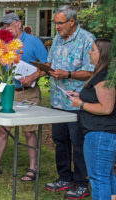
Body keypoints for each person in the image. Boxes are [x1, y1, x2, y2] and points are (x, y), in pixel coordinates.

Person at [0, 13, 48, 181]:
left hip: (28, 92)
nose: (6, 29)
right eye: (3, 26)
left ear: (18, 24)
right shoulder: (3, 43)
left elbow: (47, 65)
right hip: (8, 91)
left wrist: (33, 76)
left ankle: (33, 169)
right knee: (3, 129)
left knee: (29, 132)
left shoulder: (34, 42)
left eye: (8, 25)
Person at [44, 5, 95, 199]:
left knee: (78, 143)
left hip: (77, 103)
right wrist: (42, 69)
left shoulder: (87, 40)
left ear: (72, 22)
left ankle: (82, 183)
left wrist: (69, 74)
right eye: (55, 23)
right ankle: (64, 178)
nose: (56, 27)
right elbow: (50, 62)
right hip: (57, 101)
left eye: (60, 23)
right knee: (60, 141)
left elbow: (91, 72)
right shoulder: (57, 39)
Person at [69, 39, 116, 200]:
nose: (89, 52)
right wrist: (80, 96)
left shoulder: (104, 77)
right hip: (101, 134)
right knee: (106, 175)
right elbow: (98, 99)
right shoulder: (102, 74)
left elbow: (106, 108)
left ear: (102, 54)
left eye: (93, 49)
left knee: (99, 178)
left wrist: (80, 104)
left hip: (101, 134)